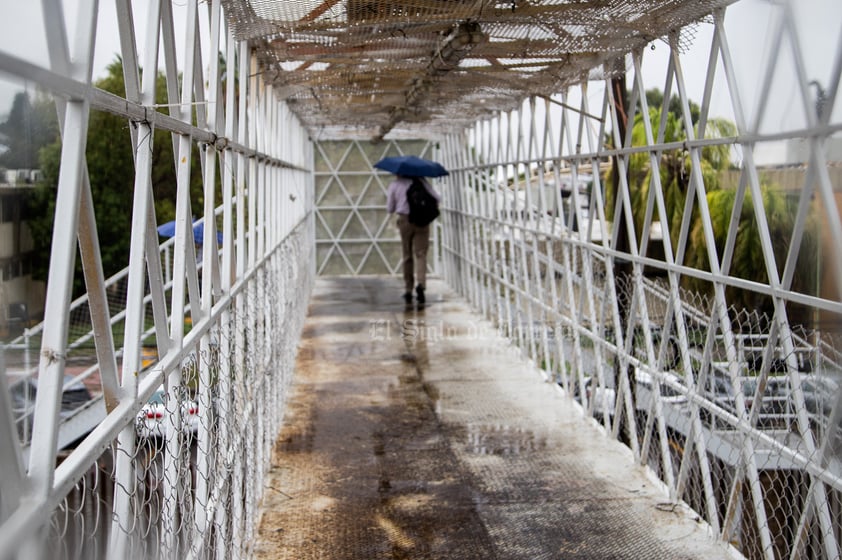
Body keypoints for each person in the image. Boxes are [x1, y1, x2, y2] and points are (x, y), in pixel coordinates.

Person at [386, 174, 441, 304]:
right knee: (421, 254)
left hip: (405, 221)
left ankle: (408, 289)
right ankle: (421, 285)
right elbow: (437, 198)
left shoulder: (395, 185)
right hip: (422, 222)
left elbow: (390, 208)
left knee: (407, 255)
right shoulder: (421, 182)